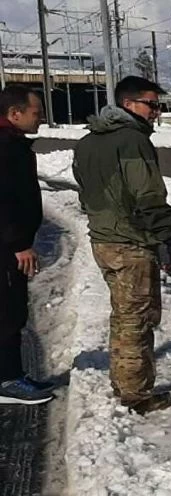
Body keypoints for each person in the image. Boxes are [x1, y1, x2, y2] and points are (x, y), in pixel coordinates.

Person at [73, 76, 171, 414]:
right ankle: (136, 394)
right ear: (128, 104)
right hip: (131, 243)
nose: (156, 112)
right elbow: (148, 195)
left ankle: (123, 381)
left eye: (158, 106)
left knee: (123, 316)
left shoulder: (89, 142)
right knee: (137, 318)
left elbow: (84, 189)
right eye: (151, 105)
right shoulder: (133, 141)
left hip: (103, 239)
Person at [0, 85, 55, 403]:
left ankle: (10, 374)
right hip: (6, 250)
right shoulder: (5, 148)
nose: (41, 119)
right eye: (37, 113)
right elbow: (3, 202)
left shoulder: (12, 144)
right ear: (14, 113)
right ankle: (8, 380)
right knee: (8, 312)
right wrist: (18, 243)